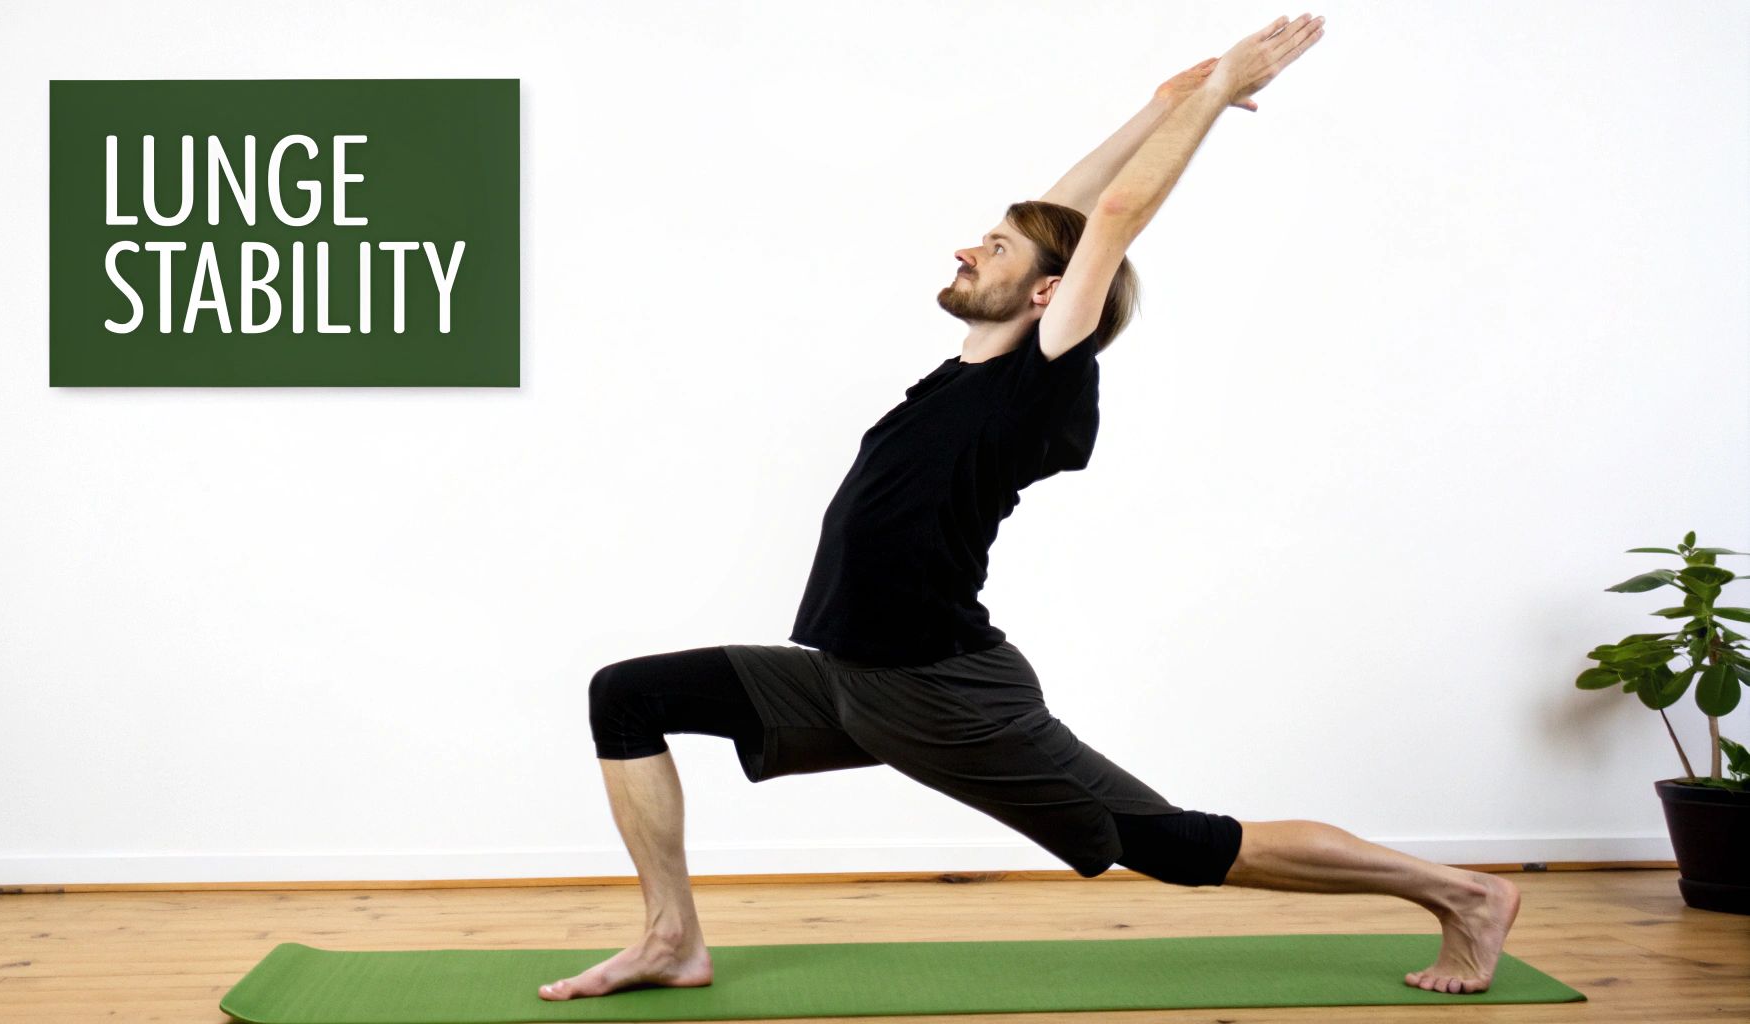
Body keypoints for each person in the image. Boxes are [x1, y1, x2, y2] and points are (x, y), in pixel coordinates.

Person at [542, 12, 1520, 1003]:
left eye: (993, 249)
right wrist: (1159, 105)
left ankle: (1458, 892)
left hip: (939, 694)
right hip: (847, 678)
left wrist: (1218, 95)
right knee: (629, 695)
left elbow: (1111, 220)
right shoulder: (964, 373)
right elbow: (1060, 207)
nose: (968, 249)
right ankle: (671, 939)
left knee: (1170, 844)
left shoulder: (1037, 379)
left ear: (1047, 293)